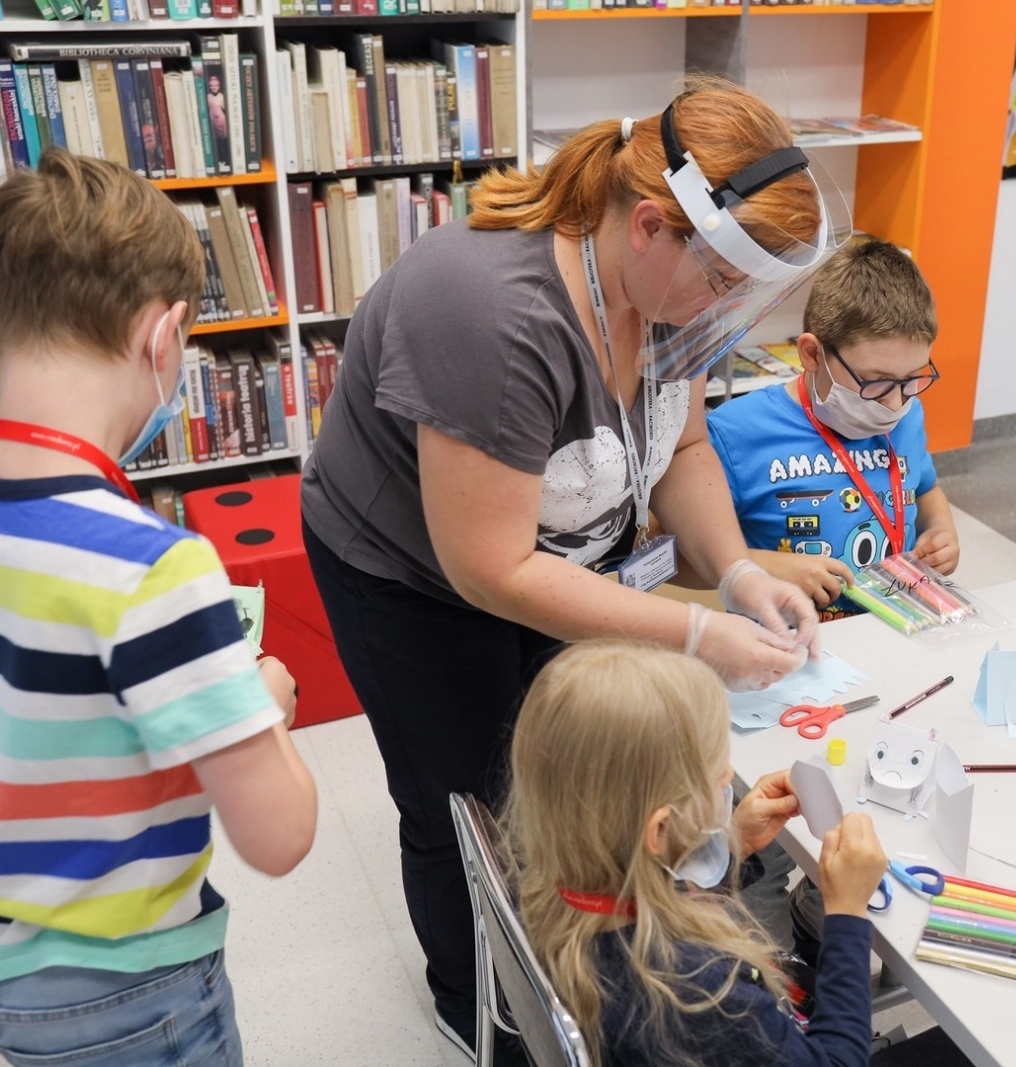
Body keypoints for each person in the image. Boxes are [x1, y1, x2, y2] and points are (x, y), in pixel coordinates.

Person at [299, 79, 829, 1060]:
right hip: (412, 572)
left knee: (564, 775)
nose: (728, 306)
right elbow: (491, 566)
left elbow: (684, 452)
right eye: (721, 280)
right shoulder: (490, 313)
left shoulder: (672, 289)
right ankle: (477, 1002)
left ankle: (581, 969)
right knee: (457, 792)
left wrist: (737, 571)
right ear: (646, 226)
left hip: (553, 555)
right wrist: (695, 631)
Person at [0, 150, 317, 1066]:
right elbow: (282, 836)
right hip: (124, 991)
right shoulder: (155, 568)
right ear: (166, 337)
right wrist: (261, 697)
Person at [504, 640, 890, 1066]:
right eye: (715, 770)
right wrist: (847, 915)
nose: (728, 775)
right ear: (662, 828)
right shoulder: (704, 993)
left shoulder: (553, 886)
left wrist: (732, 846)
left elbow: (651, 888)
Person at [707, 237, 958, 621]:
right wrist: (764, 565)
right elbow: (676, 554)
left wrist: (941, 530)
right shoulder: (734, 434)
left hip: (895, 624)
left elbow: (926, 488)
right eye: (876, 382)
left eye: (911, 379)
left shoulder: (909, 414)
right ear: (812, 354)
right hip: (785, 646)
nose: (895, 404)